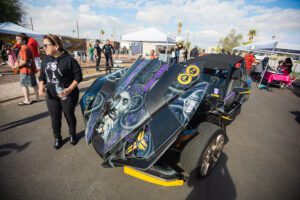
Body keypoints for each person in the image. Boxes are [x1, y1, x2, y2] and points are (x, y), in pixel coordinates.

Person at [38, 34, 83, 149]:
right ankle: (57, 138)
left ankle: (72, 135)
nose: (44, 48)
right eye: (43, 46)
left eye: (46, 45)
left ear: (56, 46)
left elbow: (78, 77)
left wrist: (69, 89)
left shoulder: (69, 60)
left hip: (67, 94)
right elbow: (42, 76)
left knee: (69, 114)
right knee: (55, 117)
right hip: (51, 95)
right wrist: (40, 86)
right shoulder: (46, 59)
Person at [12, 34, 40, 105]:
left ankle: (27, 100)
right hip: (30, 69)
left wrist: (16, 66)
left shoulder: (23, 48)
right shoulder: (27, 47)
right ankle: (37, 98)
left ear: (24, 41)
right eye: (16, 39)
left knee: (23, 85)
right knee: (34, 84)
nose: (16, 40)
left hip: (25, 70)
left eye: (18, 39)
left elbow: (24, 61)